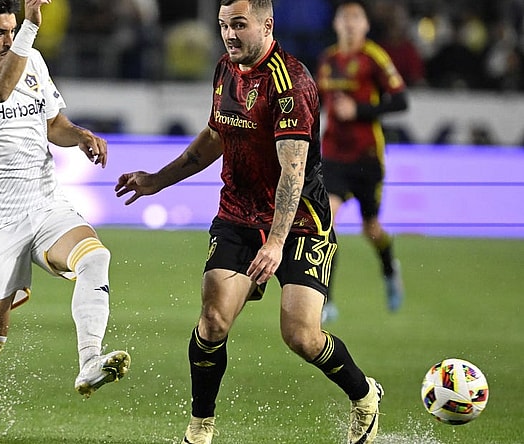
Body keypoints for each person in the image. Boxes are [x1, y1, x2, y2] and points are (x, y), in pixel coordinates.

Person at [115, 1, 382, 443]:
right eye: (223, 26)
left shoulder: (291, 82)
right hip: (238, 214)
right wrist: (159, 180)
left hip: (299, 222)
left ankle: (365, 395)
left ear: (267, 24)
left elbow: (293, 172)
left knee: (301, 336)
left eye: (239, 25)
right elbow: (217, 134)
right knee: (213, 320)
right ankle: (200, 428)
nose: (229, 35)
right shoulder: (225, 69)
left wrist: (275, 244)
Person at [0, 0, 130, 441]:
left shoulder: (30, 58)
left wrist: (81, 137)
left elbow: (53, 123)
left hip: (44, 201)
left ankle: (90, 360)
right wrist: (32, 28)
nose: (9, 40)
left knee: (94, 258)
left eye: (12, 30)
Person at [316, 0, 408, 322]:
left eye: (357, 18)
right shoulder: (327, 60)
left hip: (367, 156)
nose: (351, 24)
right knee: (326, 225)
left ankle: (388, 268)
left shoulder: (374, 58)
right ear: (337, 25)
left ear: (366, 25)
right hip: (333, 157)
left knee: (371, 228)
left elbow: (401, 101)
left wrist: (359, 111)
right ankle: (325, 301)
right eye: (345, 18)